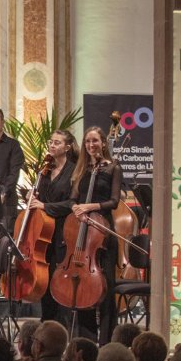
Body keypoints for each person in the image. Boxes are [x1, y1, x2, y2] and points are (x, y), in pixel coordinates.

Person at [65, 125, 123, 341]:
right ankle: (85, 341)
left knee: (105, 290)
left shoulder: (113, 168)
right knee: (83, 290)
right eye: (88, 141)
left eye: (95, 141)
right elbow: (72, 199)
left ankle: (107, 342)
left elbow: (114, 201)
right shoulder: (81, 169)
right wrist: (76, 209)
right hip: (83, 230)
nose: (91, 145)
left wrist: (89, 207)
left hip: (103, 233)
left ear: (103, 143)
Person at [27, 129, 78, 322]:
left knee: (60, 276)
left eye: (57, 142)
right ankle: (47, 321)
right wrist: (31, 196)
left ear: (67, 147)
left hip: (63, 230)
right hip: (43, 231)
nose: (52, 145)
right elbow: (38, 196)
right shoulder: (45, 170)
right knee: (45, 275)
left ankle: (62, 324)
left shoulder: (74, 171)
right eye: (51, 142)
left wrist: (45, 206)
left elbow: (73, 203)